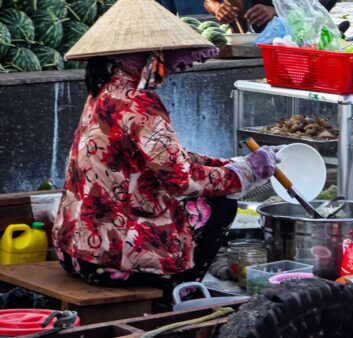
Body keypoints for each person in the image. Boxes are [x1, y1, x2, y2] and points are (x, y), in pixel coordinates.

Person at [53, 0, 278, 295]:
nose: (168, 68)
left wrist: (228, 163)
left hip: (74, 251)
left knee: (210, 194)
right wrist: (244, 174)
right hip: (113, 260)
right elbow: (180, 179)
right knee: (221, 203)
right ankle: (179, 288)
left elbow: (164, 158)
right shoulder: (139, 102)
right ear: (148, 57)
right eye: (162, 57)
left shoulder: (105, 92)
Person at [204, 0, 338, 33]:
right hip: (260, 31)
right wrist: (218, 8)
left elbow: (321, 6)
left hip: (303, 30)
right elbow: (209, 1)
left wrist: (277, 10)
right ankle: (238, 40)